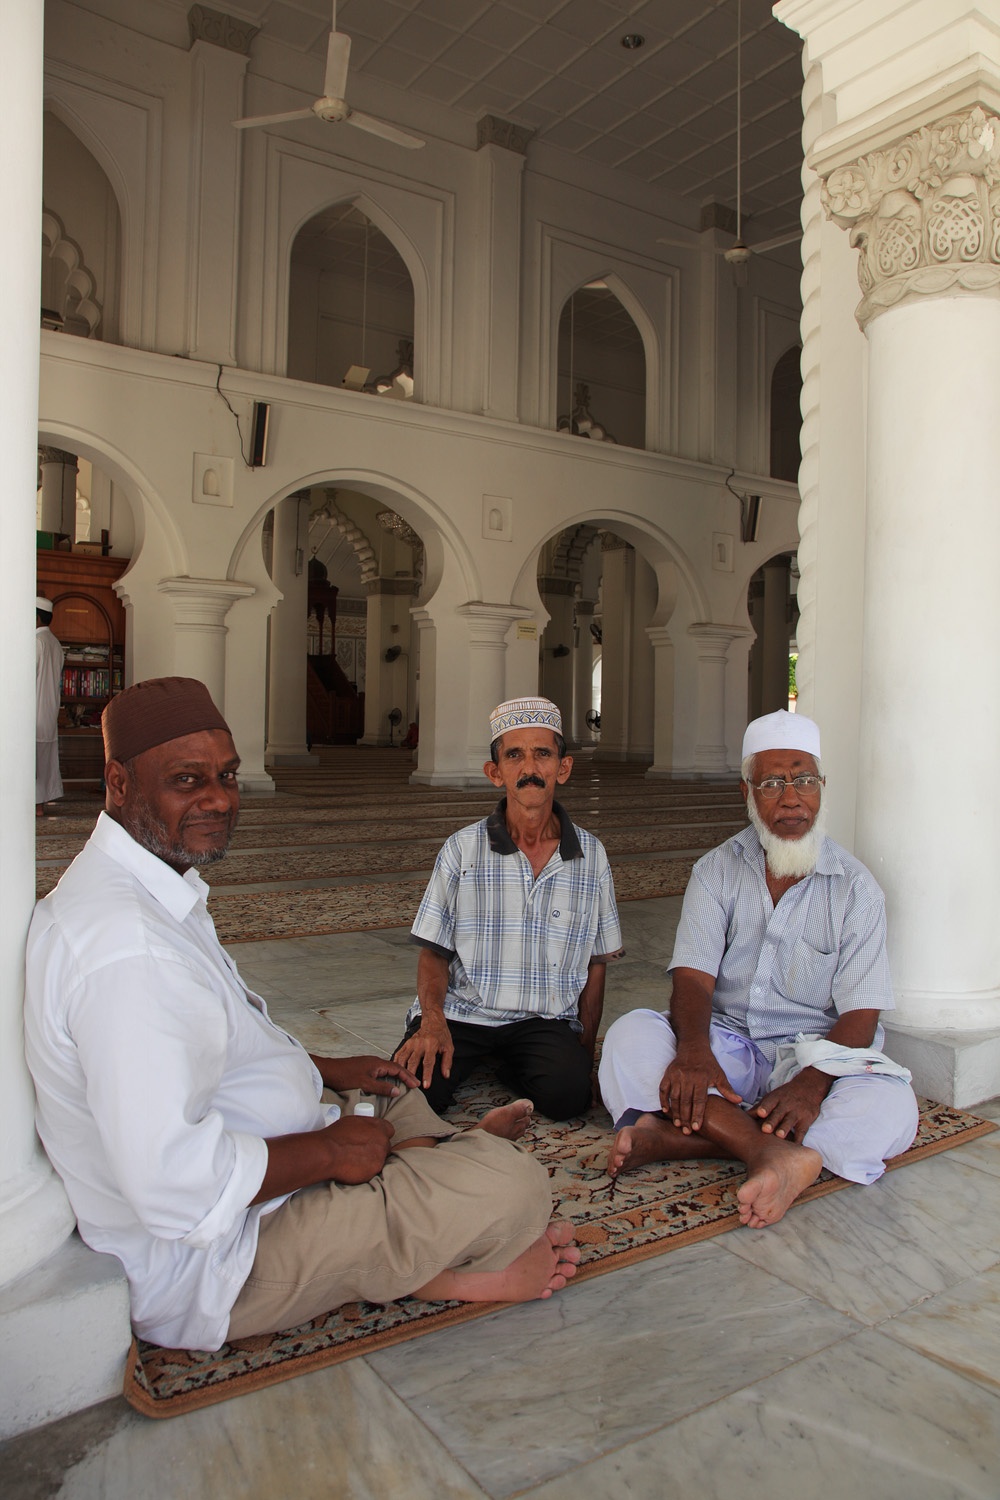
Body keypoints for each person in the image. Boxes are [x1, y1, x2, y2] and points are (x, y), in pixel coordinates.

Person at [24, 677, 578, 1353]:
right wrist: (325, 1152)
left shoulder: (146, 890)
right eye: (187, 780)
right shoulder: (125, 951)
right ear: (118, 782)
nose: (220, 799)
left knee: (390, 1081)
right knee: (517, 1186)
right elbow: (171, 1190)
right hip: (222, 1259)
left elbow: (202, 1047)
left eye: (226, 775)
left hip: (266, 1153)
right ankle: (448, 1266)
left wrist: (316, 1066)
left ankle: (421, 1157)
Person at [599, 709, 918, 1229]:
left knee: (892, 1110)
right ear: (746, 793)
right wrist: (695, 1052)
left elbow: (861, 1014)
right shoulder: (715, 871)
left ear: (821, 788)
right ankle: (774, 1151)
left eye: (804, 780)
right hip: (729, 1046)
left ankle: (689, 1138)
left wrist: (812, 1084)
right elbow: (693, 979)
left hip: (815, 1054)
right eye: (772, 782)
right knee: (630, 1037)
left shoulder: (856, 889)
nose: (791, 797)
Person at [394, 696, 623, 1120]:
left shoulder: (592, 856)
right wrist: (431, 1021)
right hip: (463, 1012)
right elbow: (434, 951)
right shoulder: (462, 849)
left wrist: (584, 1057)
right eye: (514, 755)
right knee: (409, 1092)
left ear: (564, 768)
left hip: (543, 1019)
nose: (530, 768)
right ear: (495, 773)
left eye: (543, 754)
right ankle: (480, 1056)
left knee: (569, 1096)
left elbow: (596, 963)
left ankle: (514, 1063)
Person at [35, 595, 65, 815]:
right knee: (43, 757)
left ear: (36, 617)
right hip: (48, 709)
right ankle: (39, 804)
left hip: (33, 708)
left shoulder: (36, 642)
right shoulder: (54, 642)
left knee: (32, 758)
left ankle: (34, 804)